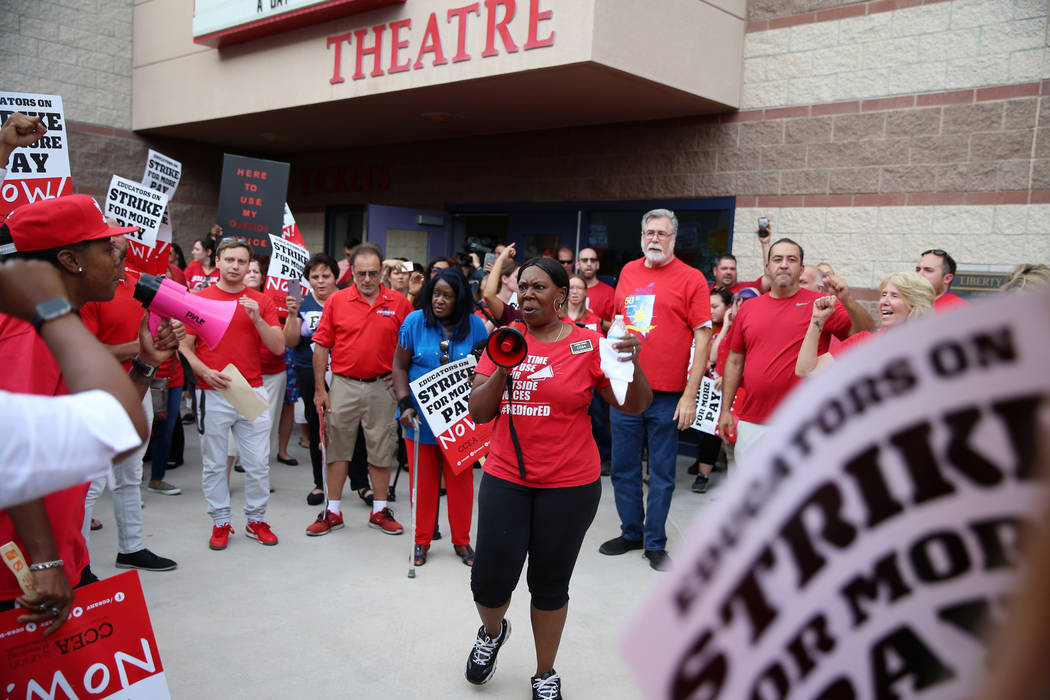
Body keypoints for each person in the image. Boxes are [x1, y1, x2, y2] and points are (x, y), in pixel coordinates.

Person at [465, 257, 651, 699]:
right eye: (522, 288)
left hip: (569, 485)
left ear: (562, 296)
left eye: (539, 288)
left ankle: (544, 672)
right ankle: (492, 632)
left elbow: (634, 404)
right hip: (507, 477)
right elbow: (478, 411)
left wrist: (634, 364)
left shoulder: (591, 344)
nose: (527, 295)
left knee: (549, 584)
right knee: (489, 581)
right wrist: (506, 367)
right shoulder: (503, 340)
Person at [0, 194, 178, 634]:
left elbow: (110, 426)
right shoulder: (29, 333)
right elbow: (12, 449)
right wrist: (44, 560)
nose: (119, 261)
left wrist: (143, 364)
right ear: (69, 260)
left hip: (54, 555)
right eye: (106, 249)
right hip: (20, 575)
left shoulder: (57, 326)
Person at [599, 209, 712, 572]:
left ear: (674, 238)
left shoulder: (692, 278)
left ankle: (655, 541)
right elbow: (619, 322)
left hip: (668, 395)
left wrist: (690, 395)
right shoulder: (629, 272)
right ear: (642, 235)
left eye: (662, 234)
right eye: (650, 232)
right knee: (623, 468)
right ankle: (631, 531)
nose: (655, 239)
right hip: (627, 390)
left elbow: (704, 335)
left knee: (662, 473)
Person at [717, 238, 874, 457]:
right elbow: (734, 362)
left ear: (800, 269)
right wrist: (725, 410)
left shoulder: (822, 303)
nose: (783, 264)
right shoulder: (748, 308)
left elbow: (863, 335)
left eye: (791, 260)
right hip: (754, 420)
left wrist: (847, 300)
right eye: (777, 259)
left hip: (805, 422)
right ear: (767, 267)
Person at [179, 237, 286, 550]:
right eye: (230, 260)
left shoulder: (261, 301)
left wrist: (255, 319)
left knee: (257, 462)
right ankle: (221, 522)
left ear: (249, 264)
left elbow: (278, 347)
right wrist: (203, 371)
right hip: (212, 391)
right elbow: (184, 346)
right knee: (214, 462)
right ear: (218, 261)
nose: (235, 267)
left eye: (241, 261)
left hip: (251, 390)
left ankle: (256, 520)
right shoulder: (199, 298)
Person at [80, 240, 179, 571]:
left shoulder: (140, 287)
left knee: (130, 476)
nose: (121, 265)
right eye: (113, 255)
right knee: (90, 485)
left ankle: (132, 547)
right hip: (100, 395)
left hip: (140, 389)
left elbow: (160, 330)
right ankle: (78, 567)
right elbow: (86, 352)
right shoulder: (90, 294)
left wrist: (168, 333)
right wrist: (141, 349)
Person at [307, 242, 414, 536]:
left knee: (381, 449)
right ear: (350, 271)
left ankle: (380, 511)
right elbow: (322, 346)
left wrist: (402, 378)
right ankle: (332, 511)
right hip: (343, 384)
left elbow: (411, 346)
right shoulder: (337, 301)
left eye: (373, 273)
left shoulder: (399, 303)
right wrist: (320, 388)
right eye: (361, 273)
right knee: (337, 450)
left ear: (383, 271)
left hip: (383, 387)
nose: (367, 280)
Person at [392, 268, 488, 566]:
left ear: (459, 299)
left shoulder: (476, 326)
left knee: (461, 486)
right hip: (419, 420)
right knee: (422, 484)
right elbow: (398, 366)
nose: (439, 301)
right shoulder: (414, 322)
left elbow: (484, 370)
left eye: (447, 296)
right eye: (436, 294)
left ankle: (462, 541)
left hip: (459, 422)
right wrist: (404, 403)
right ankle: (421, 541)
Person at [796, 271, 935, 376]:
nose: (884, 302)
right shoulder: (863, 342)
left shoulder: (931, 346)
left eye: (894, 296)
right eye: (884, 295)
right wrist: (817, 319)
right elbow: (807, 371)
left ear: (914, 305)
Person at [284, 253, 340, 506]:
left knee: (351, 428)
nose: (320, 281)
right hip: (309, 372)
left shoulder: (346, 301)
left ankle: (360, 483)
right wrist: (292, 315)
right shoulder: (302, 304)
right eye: (314, 277)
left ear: (335, 277)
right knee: (317, 427)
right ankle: (320, 483)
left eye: (325, 276)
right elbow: (290, 342)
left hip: (343, 373)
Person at [689, 286, 734, 494]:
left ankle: (711, 476)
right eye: (708, 306)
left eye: (715, 306)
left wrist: (726, 325)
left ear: (728, 308)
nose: (710, 310)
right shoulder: (705, 327)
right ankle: (702, 469)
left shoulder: (735, 327)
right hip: (704, 388)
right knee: (704, 431)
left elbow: (719, 357)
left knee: (719, 435)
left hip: (727, 390)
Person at [479, 244, 521, 331]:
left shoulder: (523, 304)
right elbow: (480, 336)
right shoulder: (485, 304)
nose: (521, 282)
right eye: (517, 277)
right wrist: (497, 314)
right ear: (505, 279)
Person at [575, 247, 615, 324]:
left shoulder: (609, 292)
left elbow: (615, 327)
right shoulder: (569, 290)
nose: (589, 264)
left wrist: (596, 319)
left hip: (598, 335)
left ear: (597, 265)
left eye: (593, 260)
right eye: (585, 260)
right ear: (577, 265)